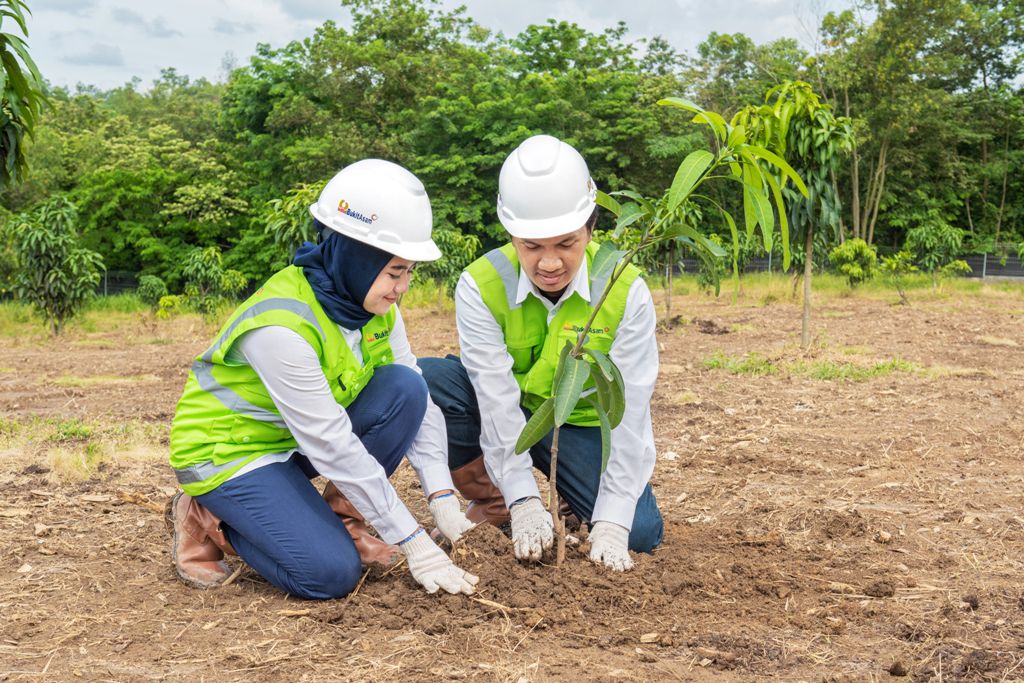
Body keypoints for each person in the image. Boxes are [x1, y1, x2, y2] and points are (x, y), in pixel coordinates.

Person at [166, 159, 478, 599]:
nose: (403, 287)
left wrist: (441, 495)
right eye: (394, 272)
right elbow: (331, 444)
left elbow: (418, 399)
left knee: (406, 388)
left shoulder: (373, 306)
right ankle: (208, 516)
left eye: (409, 271)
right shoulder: (281, 327)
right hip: (231, 454)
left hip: (293, 440)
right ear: (356, 259)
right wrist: (413, 541)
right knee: (329, 574)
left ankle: (343, 524)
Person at [420, 135, 664, 572]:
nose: (549, 263)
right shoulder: (481, 284)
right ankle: (494, 501)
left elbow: (630, 414)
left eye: (566, 243)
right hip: (507, 413)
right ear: (512, 235)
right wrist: (523, 500)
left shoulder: (624, 289)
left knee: (641, 531)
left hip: (580, 424)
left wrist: (612, 522)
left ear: (591, 229)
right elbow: (495, 400)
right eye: (531, 246)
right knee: (431, 379)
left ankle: (574, 499)